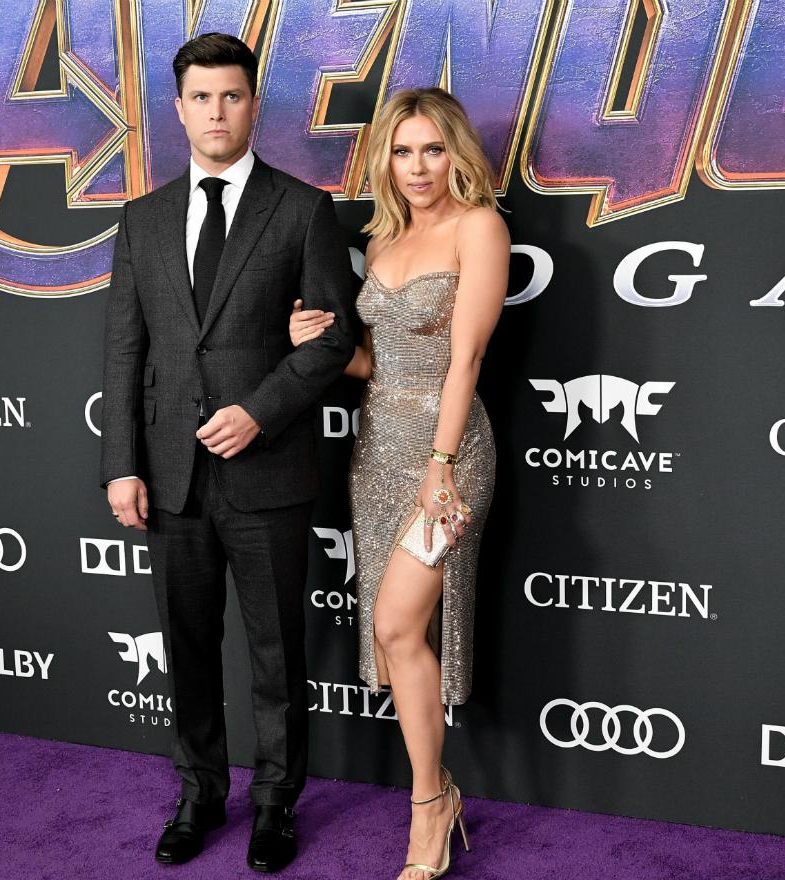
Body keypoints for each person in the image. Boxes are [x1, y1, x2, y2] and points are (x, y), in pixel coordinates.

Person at [99, 33, 355, 874]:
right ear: (179, 110)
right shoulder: (139, 219)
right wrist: (121, 464)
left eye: (232, 96)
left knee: (279, 654)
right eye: (201, 98)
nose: (217, 111)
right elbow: (125, 354)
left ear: (253, 105)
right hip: (169, 479)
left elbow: (332, 340)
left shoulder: (304, 208)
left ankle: (276, 805)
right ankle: (200, 792)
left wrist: (260, 410)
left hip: (268, 472)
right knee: (189, 648)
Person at [288, 87, 509, 880]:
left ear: (458, 154)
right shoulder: (383, 242)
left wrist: (440, 467)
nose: (418, 167)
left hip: (448, 454)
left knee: (394, 621)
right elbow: (381, 365)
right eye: (404, 150)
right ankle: (437, 794)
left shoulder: (479, 227)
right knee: (395, 633)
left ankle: (427, 804)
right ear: (386, 157)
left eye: (433, 149)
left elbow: (465, 360)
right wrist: (318, 342)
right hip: (378, 448)